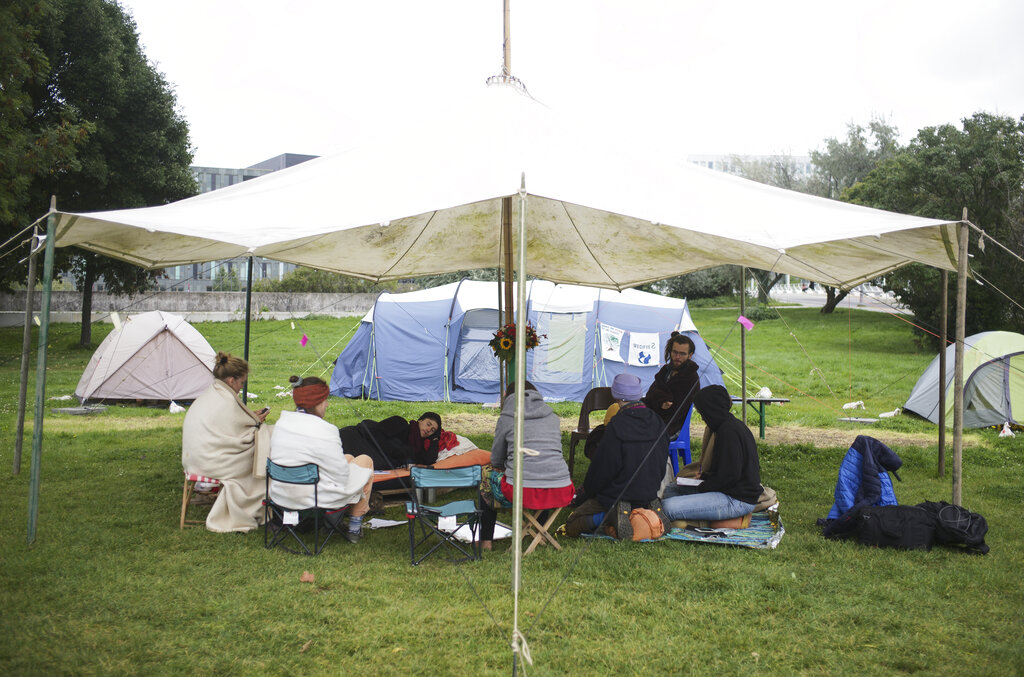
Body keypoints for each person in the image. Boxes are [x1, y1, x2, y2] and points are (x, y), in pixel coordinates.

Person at [563, 373, 669, 540]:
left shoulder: (617, 425)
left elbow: (603, 469)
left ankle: (608, 517)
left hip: (617, 494)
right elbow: (662, 462)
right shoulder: (657, 421)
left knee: (572, 524)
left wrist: (586, 493)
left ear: (616, 396)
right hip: (649, 491)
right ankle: (642, 511)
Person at [269, 376, 375, 543]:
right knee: (365, 461)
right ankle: (354, 526)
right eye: (325, 400)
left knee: (348, 458)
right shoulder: (326, 430)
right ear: (316, 402)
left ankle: (333, 523)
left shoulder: (282, 423)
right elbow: (341, 476)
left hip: (281, 494)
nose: (327, 404)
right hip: (313, 498)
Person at [479, 381, 574, 551]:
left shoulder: (507, 418)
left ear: (508, 397)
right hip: (560, 488)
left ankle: (486, 540)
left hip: (520, 490)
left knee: (486, 477)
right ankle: (539, 531)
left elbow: (496, 459)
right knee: (540, 472)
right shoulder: (552, 417)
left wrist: (501, 466)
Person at [182, 351, 270, 533]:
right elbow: (242, 430)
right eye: (241, 383)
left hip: (193, 459)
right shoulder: (226, 399)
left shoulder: (213, 393)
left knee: (258, 447)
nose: (241, 388)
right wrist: (256, 422)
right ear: (231, 381)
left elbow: (230, 424)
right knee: (260, 455)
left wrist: (251, 418)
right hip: (210, 461)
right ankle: (258, 504)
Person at [661, 384, 762, 523]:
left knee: (667, 507)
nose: (702, 418)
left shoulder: (729, 432)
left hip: (736, 499)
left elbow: (729, 477)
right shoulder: (726, 427)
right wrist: (704, 478)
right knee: (672, 490)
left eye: (703, 412)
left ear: (711, 409)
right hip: (727, 490)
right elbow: (725, 470)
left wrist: (704, 486)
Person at [338, 412, 443, 471]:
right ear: (420, 420)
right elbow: (375, 433)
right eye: (428, 424)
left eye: (432, 430)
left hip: (368, 456)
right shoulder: (401, 423)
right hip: (354, 438)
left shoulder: (418, 447)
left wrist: (435, 438)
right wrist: (401, 452)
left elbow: (429, 459)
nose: (429, 430)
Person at [643, 332, 700, 438]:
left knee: (633, 433)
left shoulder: (690, 378)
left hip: (672, 426)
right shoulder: (666, 371)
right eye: (675, 352)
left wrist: (661, 401)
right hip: (656, 417)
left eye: (682, 354)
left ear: (690, 355)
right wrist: (661, 401)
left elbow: (676, 411)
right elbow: (651, 394)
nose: (677, 357)